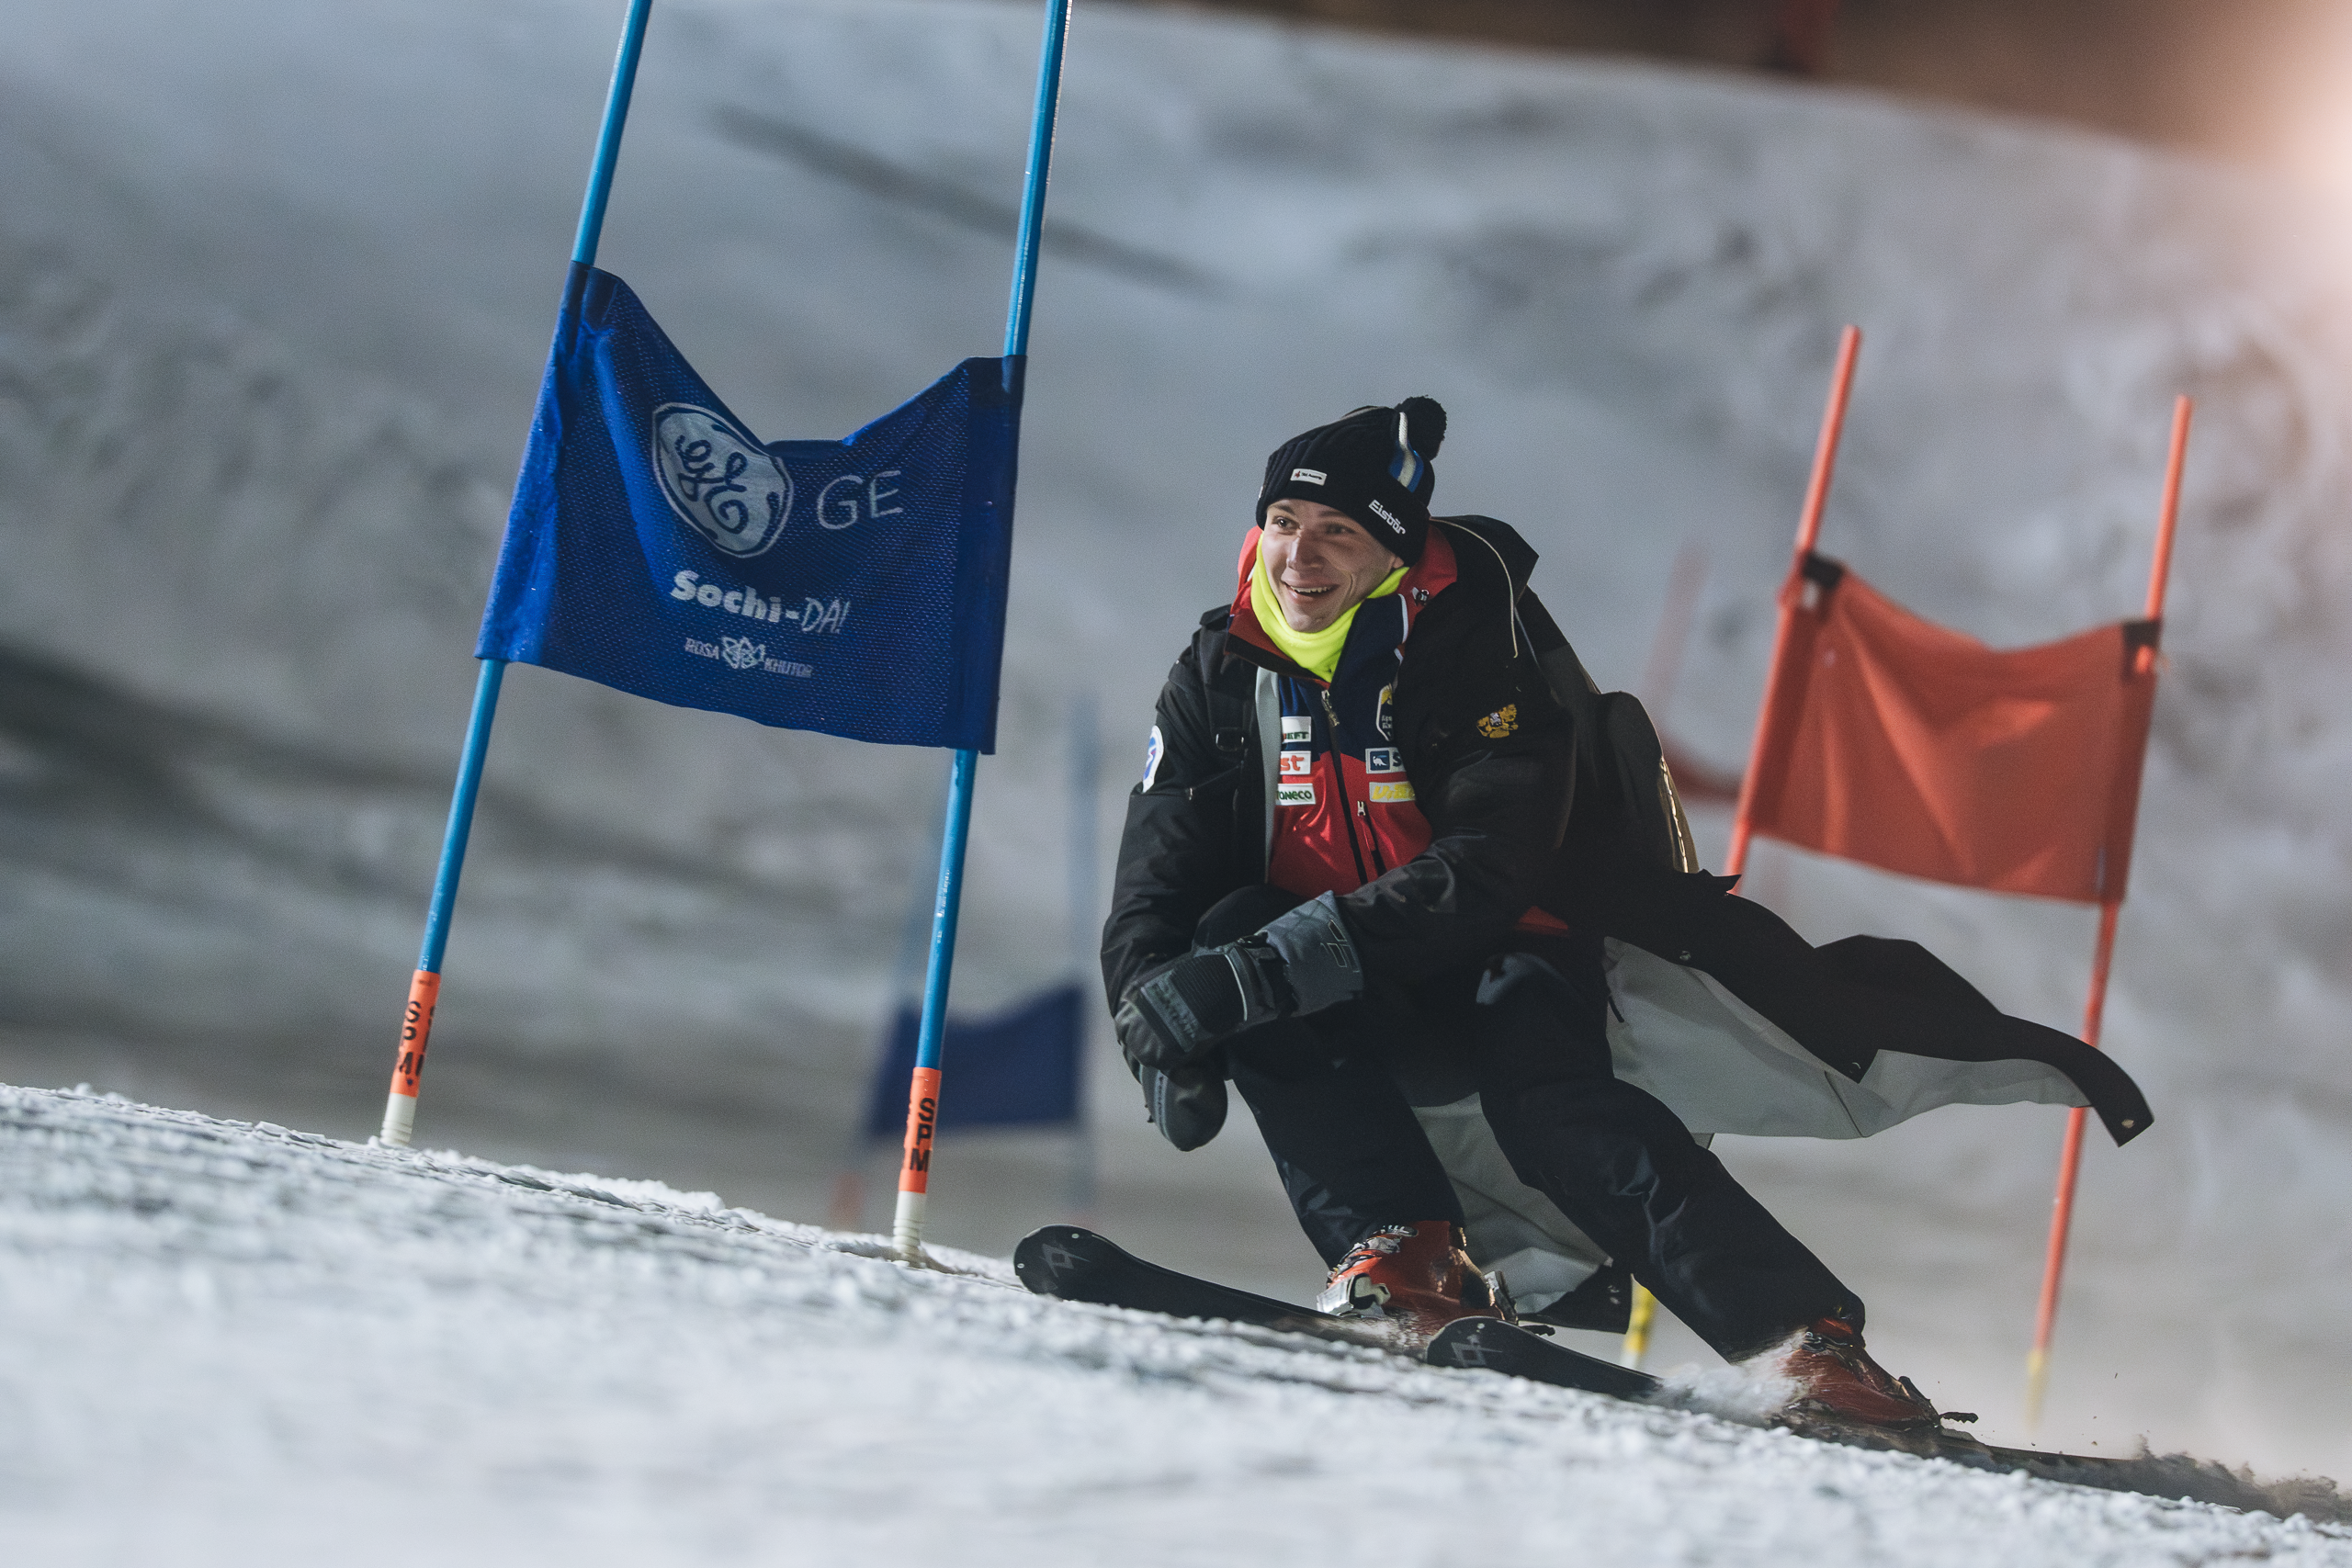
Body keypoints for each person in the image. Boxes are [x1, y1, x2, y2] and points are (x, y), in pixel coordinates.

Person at [1101, 397, 2154, 1433]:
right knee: (1226, 928)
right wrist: (1155, 1023)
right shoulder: (1220, 667)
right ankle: (1406, 1256)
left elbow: (1488, 870)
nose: (1300, 557)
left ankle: (1809, 1342)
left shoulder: (1477, 650)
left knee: (1548, 1102)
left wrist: (1270, 970)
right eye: (1285, 523)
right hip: (1348, 982)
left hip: (1507, 949)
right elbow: (1157, 871)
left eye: (1337, 532)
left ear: (1391, 549)